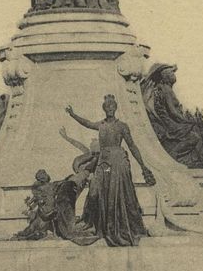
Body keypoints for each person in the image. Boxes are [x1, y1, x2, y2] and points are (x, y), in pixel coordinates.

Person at [65, 94, 155, 247]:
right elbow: (87, 123)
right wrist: (73, 115)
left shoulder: (122, 126)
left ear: (116, 108)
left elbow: (132, 146)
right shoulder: (101, 125)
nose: (110, 109)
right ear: (104, 109)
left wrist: (143, 165)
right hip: (104, 163)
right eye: (107, 107)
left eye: (112, 107)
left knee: (117, 195)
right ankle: (93, 223)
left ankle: (117, 228)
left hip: (118, 163)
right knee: (93, 193)